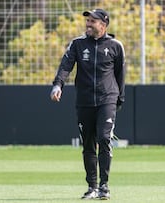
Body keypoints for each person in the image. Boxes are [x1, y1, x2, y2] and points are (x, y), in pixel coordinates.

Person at [50, 8, 126, 200]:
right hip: (84, 101)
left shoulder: (116, 46)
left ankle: (104, 186)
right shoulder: (77, 44)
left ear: (103, 24)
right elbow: (66, 65)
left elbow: (120, 75)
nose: (88, 24)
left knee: (104, 138)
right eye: (87, 21)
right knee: (88, 145)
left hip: (107, 99)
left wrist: (119, 99)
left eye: (92, 21)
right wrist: (58, 85)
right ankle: (92, 187)